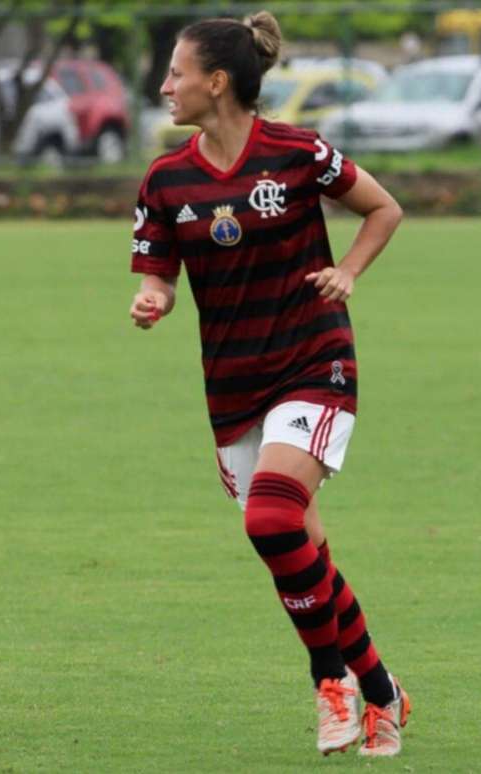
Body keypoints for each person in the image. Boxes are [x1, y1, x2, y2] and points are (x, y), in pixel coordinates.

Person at [129, 11, 409, 757]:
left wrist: (346, 271)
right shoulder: (166, 178)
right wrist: (154, 296)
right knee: (299, 546)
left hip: (313, 361)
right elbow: (159, 268)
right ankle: (380, 690)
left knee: (270, 520)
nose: (165, 85)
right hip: (232, 384)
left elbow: (383, 207)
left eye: (177, 73)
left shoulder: (296, 152)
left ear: (216, 82)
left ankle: (329, 682)